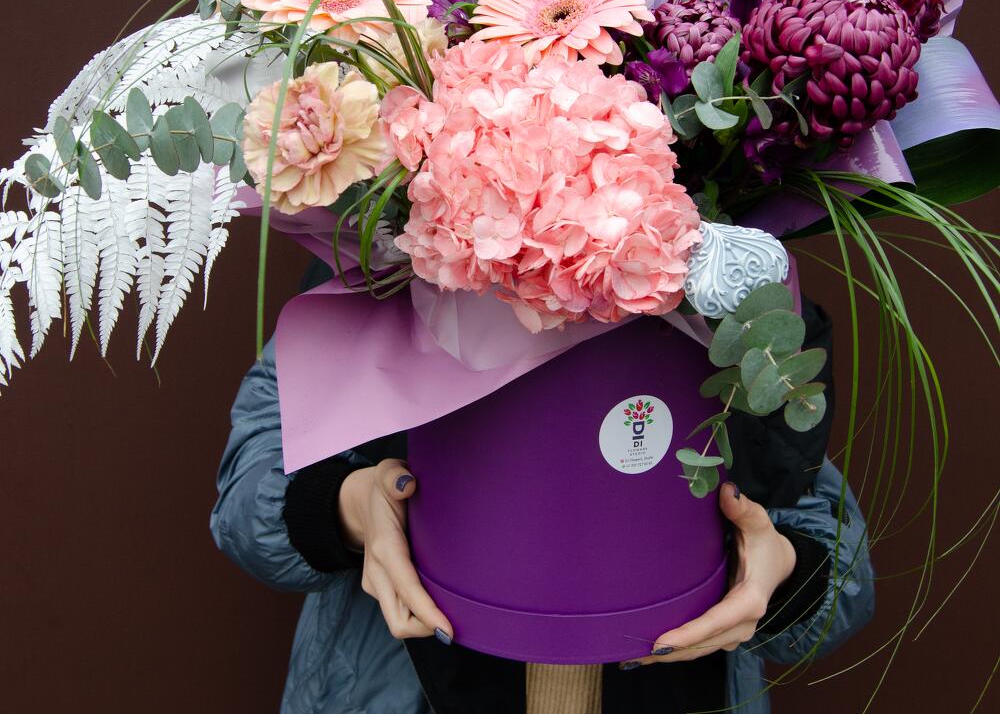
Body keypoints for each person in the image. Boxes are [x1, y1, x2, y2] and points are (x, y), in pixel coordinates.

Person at [211, 284, 874, 714]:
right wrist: (352, 507)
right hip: (403, 683)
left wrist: (778, 573)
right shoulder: (388, 270)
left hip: (672, 688)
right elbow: (249, 486)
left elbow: (834, 556)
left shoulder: (721, 296)